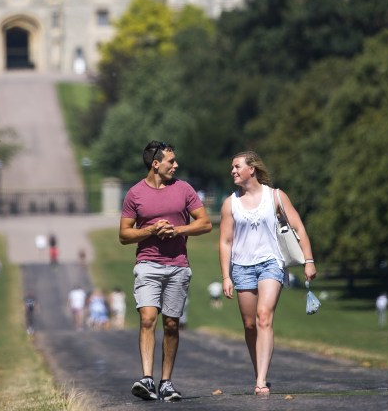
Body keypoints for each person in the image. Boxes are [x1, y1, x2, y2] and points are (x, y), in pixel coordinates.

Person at [119, 140, 212, 402]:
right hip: (147, 264)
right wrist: (149, 230)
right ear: (156, 164)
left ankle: (166, 383)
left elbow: (205, 224)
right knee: (148, 318)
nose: (176, 165)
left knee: (171, 324)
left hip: (178, 266)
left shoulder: (184, 189)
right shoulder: (135, 194)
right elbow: (124, 235)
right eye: (171, 161)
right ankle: (147, 379)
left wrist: (177, 229)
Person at [218, 150, 317, 397]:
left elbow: (298, 227)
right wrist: (226, 276)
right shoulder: (230, 203)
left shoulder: (275, 196)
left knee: (264, 316)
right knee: (250, 325)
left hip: (271, 263)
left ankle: (261, 380)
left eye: (237, 166)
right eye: (232, 167)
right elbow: (225, 242)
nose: (233, 171)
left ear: (251, 169)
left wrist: (309, 260)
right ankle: (258, 371)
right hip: (242, 267)